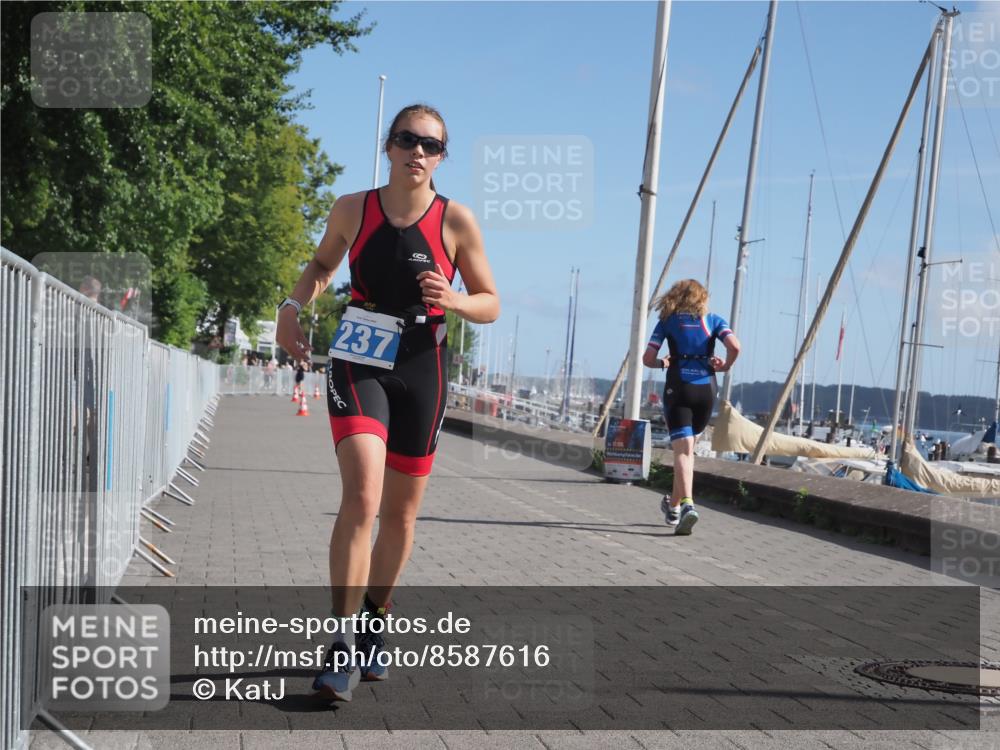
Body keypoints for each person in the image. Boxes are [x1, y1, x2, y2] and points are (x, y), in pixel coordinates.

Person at [275, 103, 500, 702]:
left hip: (423, 364)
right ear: (389, 146)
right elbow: (323, 263)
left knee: (400, 515)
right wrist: (291, 308)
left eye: (431, 145)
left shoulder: (457, 221)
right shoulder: (354, 208)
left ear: (442, 157)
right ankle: (341, 642)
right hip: (360, 353)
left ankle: (375, 618)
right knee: (363, 497)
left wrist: (454, 302)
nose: (418, 152)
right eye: (407, 140)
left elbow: (490, 300)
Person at [642, 279, 740, 536]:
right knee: (687, 452)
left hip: (680, 387)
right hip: (707, 389)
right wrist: (726, 365)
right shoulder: (715, 320)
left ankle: (687, 506)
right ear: (701, 298)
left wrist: (663, 364)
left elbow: (648, 359)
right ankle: (673, 507)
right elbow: (735, 346)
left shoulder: (667, 322)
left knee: (683, 453)